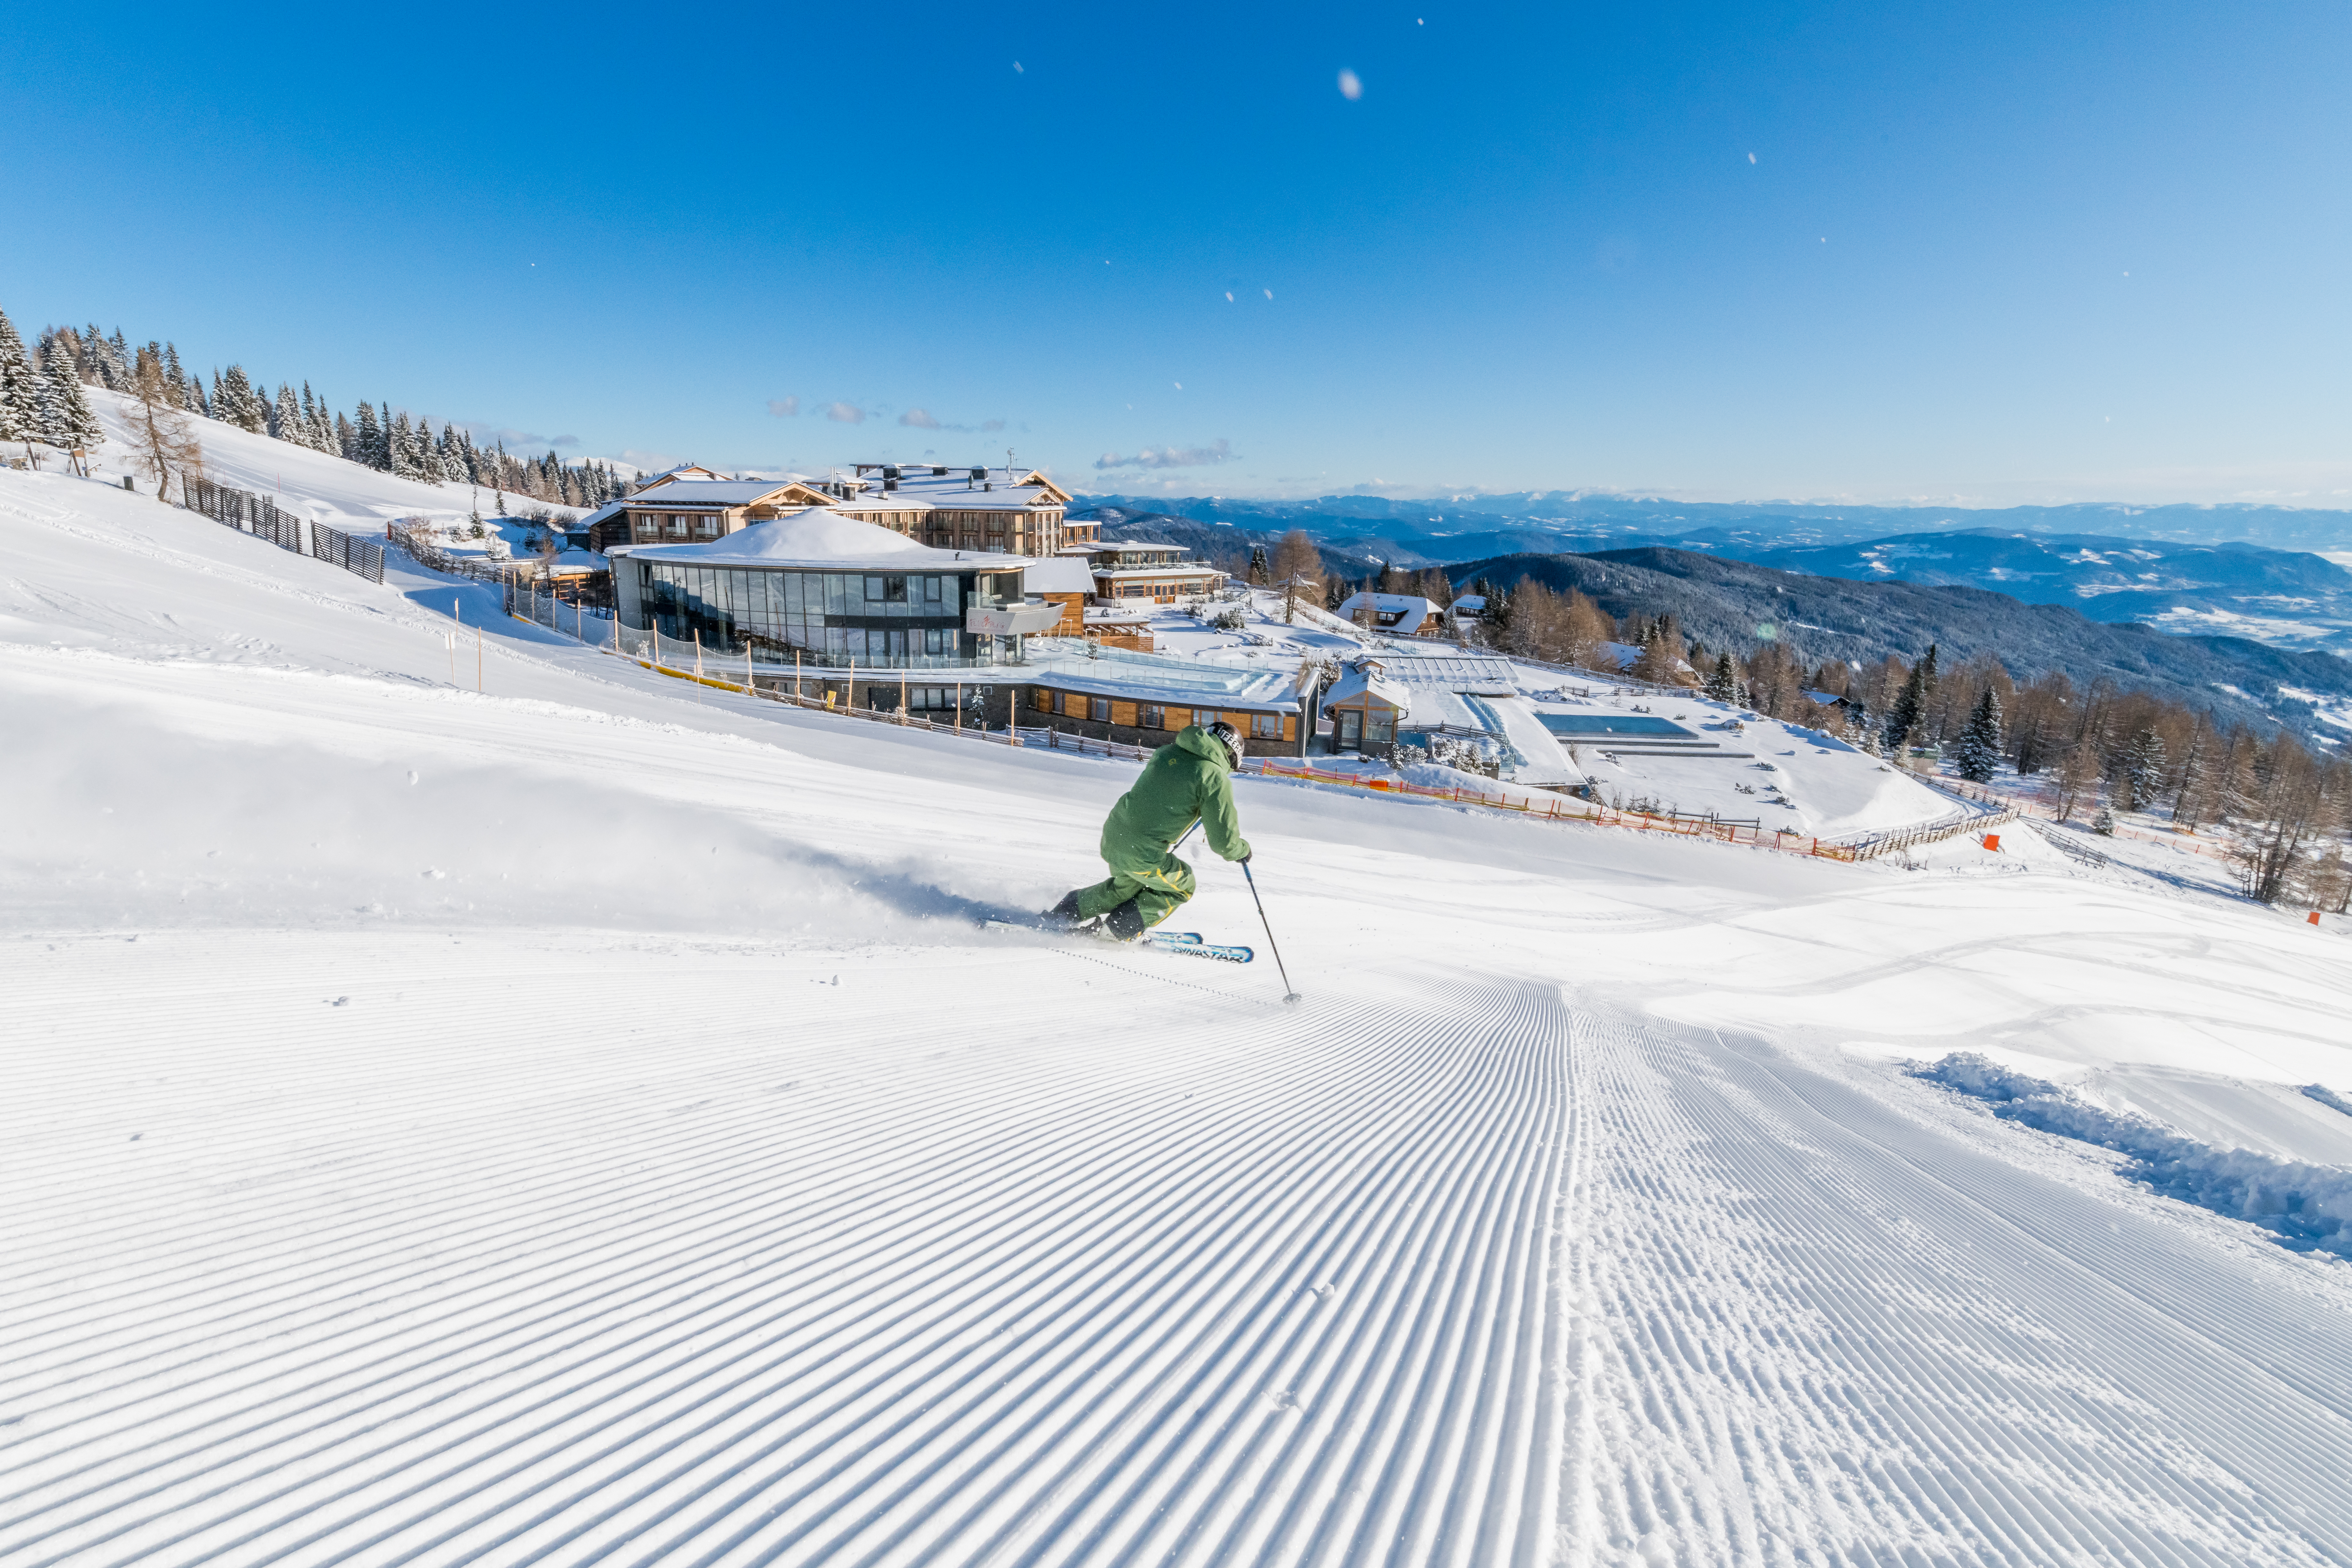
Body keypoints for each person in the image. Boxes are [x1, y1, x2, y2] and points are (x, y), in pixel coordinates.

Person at [1047, 719, 1253, 940]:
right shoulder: (1214, 777)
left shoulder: (1166, 753)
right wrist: (1242, 851)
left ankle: (1063, 914)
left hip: (1115, 834)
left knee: (1124, 888)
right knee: (1183, 885)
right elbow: (1224, 843)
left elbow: (1163, 792)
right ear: (1232, 754)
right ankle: (1118, 930)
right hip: (1142, 851)